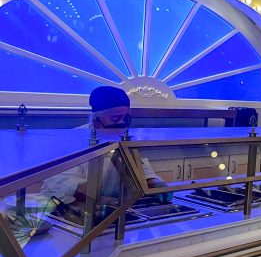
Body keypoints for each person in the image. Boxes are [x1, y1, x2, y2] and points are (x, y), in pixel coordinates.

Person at [42, 86, 170, 205]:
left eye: (126, 118)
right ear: (96, 119)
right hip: (68, 208)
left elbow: (141, 170)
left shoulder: (125, 139)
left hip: (113, 207)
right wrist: (97, 199)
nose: (122, 123)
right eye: (115, 118)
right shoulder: (71, 140)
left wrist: (156, 184)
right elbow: (65, 182)